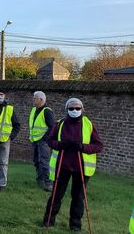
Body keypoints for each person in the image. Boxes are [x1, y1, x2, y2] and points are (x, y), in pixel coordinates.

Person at [42, 98, 103, 232]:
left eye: (77, 108)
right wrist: (60, 145)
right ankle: (48, 221)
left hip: (81, 167)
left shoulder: (88, 124)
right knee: (56, 195)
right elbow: (50, 140)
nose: (74, 111)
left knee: (78, 197)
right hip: (62, 166)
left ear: (82, 109)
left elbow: (98, 145)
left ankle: (75, 225)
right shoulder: (60, 124)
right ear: (66, 109)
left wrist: (82, 147)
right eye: (71, 108)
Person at [29, 91, 57, 191]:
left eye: (34, 98)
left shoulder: (47, 111)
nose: (33, 99)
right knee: (36, 161)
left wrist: (45, 138)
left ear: (41, 100)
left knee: (44, 161)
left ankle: (48, 183)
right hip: (35, 140)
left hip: (43, 141)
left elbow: (53, 127)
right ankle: (40, 180)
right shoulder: (33, 110)